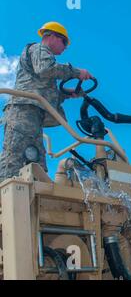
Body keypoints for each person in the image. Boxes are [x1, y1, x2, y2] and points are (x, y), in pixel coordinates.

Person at [0, 21, 93, 181]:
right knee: (15, 159)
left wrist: (65, 94)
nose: (65, 47)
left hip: (34, 115)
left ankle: (34, 198)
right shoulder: (39, 48)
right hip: (23, 111)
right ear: (51, 36)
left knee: (36, 163)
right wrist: (76, 72)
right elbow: (45, 70)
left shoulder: (44, 57)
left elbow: (43, 90)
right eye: (64, 42)